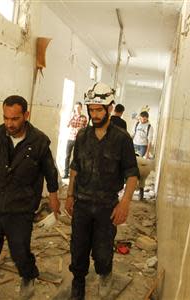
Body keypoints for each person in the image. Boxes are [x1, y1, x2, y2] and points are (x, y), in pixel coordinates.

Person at [0, 95, 60, 300]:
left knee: (19, 251)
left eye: (15, 119)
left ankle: (29, 274)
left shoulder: (39, 141)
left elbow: (50, 172)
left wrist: (54, 198)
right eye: (6, 118)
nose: (9, 123)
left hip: (21, 207)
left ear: (26, 115)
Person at [65, 82, 139, 299]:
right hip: (82, 203)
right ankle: (78, 282)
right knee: (78, 248)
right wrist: (69, 195)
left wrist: (124, 203)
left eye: (99, 110)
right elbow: (75, 168)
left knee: (103, 250)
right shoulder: (82, 136)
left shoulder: (122, 139)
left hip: (107, 205)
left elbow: (132, 174)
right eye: (92, 109)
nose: (95, 114)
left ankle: (104, 274)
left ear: (109, 108)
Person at [63, 102, 88, 179]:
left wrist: (80, 130)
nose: (77, 109)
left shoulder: (84, 118)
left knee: (77, 156)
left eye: (78, 107)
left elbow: (86, 129)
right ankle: (66, 173)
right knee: (67, 156)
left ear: (81, 108)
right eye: (76, 107)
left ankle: (76, 173)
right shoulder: (72, 117)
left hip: (79, 139)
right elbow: (67, 125)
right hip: (70, 138)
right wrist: (71, 117)